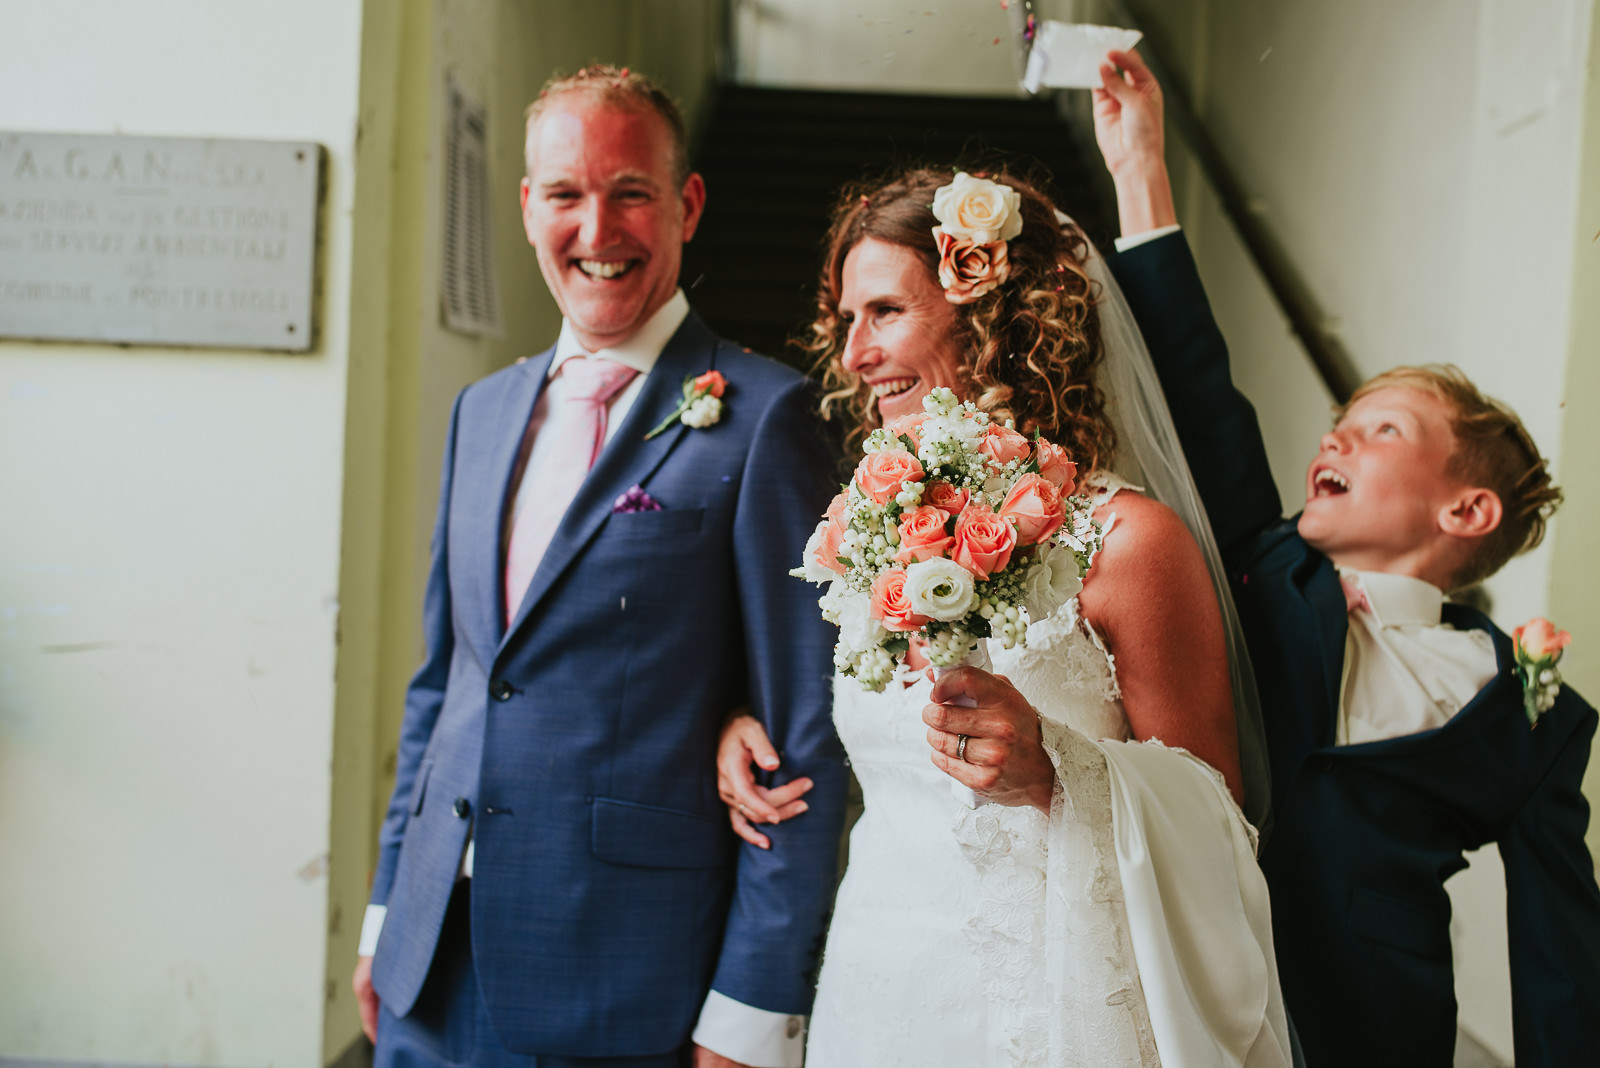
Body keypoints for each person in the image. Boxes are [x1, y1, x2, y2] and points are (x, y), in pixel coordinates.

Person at [718, 50, 1289, 1066]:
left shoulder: (1128, 541)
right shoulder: (870, 528)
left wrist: (1053, 769)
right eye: (846, 320)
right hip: (883, 982)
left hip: (1056, 1005)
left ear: (988, 308)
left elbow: (1218, 817)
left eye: (885, 312)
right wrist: (740, 724)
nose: (852, 356)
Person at [350, 66, 848, 1068]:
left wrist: (751, 1008)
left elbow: (802, 734)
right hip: (427, 962)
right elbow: (446, 682)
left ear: (687, 206)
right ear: (529, 205)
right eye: (567, 194)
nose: (597, 228)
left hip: (621, 978)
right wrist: (383, 910)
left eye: (630, 192)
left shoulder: (763, 419)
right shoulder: (480, 412)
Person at [1102, 78, 1600, 1068]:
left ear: (1463, 511)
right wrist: (1139, 172)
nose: (1339, 433)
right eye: (1344, 419)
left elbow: (1560, 943)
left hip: (1374, 1023)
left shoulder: (1531, 714)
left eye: (1383, 430)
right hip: (1194, 968)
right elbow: (1202, 398)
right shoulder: (1263, 562)